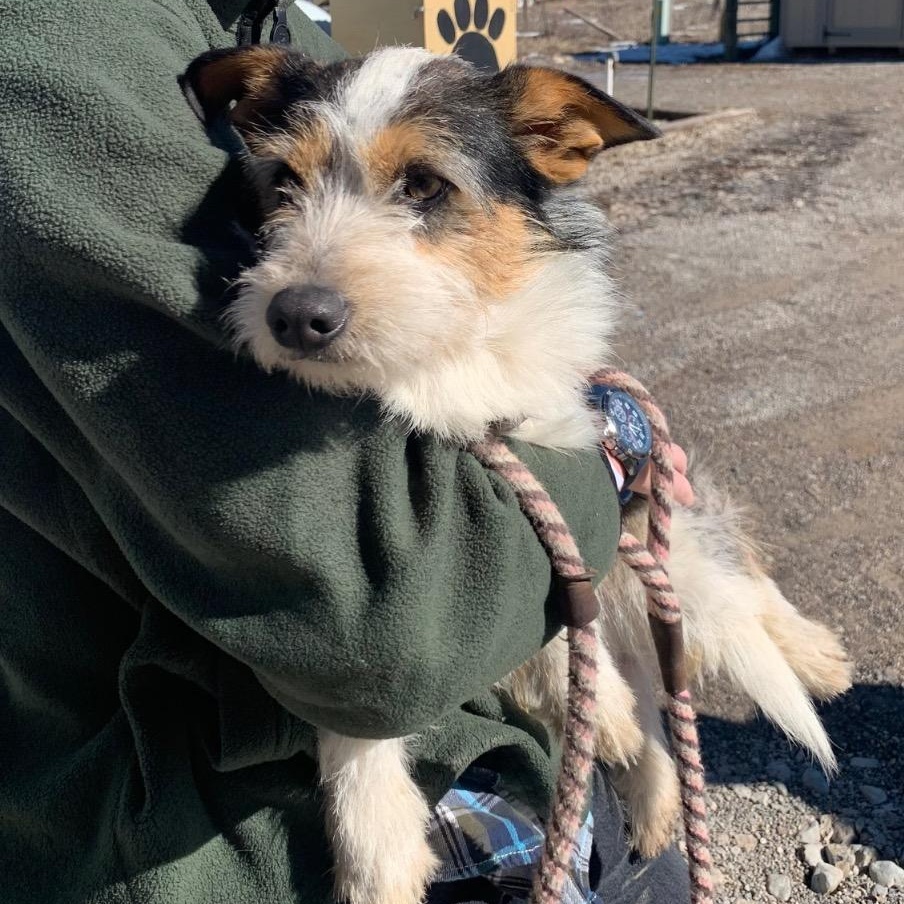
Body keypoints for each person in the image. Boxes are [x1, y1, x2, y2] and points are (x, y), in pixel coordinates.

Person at [0, 1, 692, 902]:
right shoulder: (57, 50)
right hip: (216, 836)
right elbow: (374, 620)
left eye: (422, 190)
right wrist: (613, 455)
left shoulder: (280, 26)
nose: (308, 272)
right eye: (285, 188)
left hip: (496, 753)